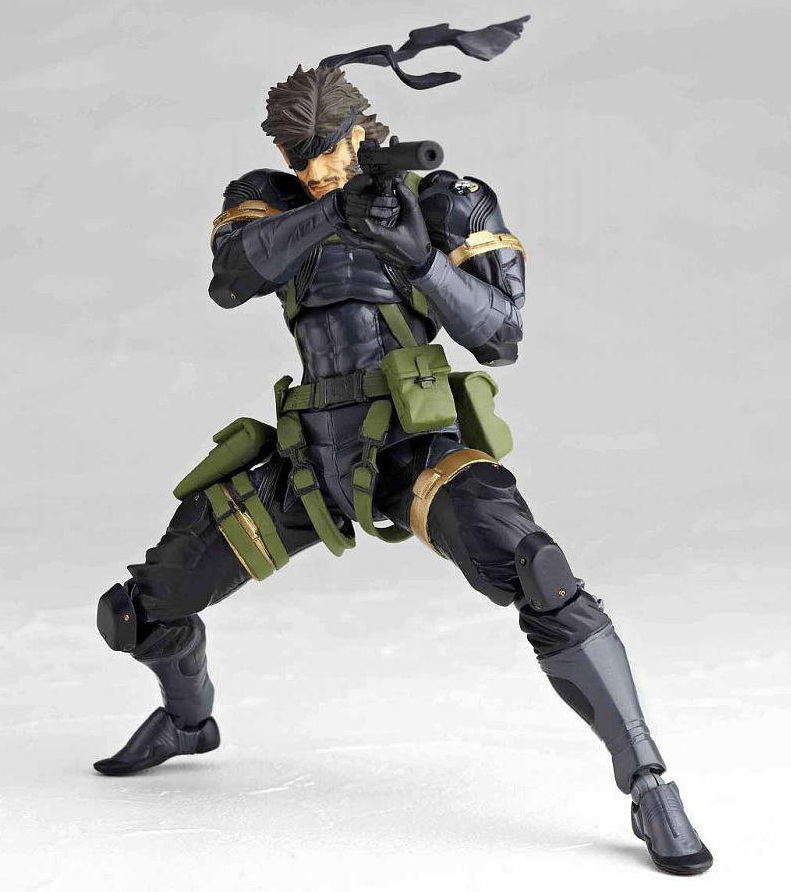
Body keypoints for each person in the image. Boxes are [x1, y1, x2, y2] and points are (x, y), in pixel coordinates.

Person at [93, 21, 712, 876]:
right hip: (310, 457)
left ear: (361, 131)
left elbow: (499, 336)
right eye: (297, 152)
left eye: (328, 148)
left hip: (414, 449)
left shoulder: (445, 200)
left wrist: (419, 258)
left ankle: (648, 781)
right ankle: (189, 722)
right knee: (139, 610)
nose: (314, 165)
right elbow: (230, 280)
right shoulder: (271, 198)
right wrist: (328, 212)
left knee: (539, 571)